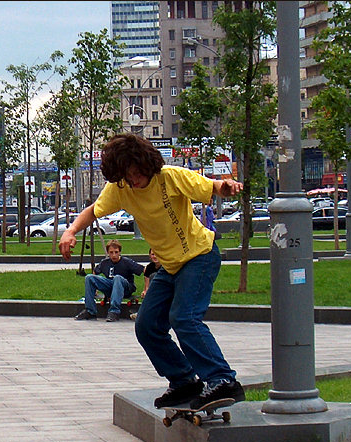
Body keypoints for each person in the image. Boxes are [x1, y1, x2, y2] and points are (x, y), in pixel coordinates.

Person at [60, 134, 245, 410]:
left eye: (135, 173)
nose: (133, 181)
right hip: (169, 267)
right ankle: (184, 380)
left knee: (184, 317)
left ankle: (222, 379)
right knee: (146, 326)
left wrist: (225, 187)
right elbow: (92, 211)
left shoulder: (169, 177)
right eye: (126, 176)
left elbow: (210, 186)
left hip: (200, 257)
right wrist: (71, 230)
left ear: (146, 163)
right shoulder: (120, 188)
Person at [75, 238, 144, 322]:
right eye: (111, 252)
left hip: (125, 288)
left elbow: (144, 271)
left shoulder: (127, 262)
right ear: (108, 253)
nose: (114, 255)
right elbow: (95, 272)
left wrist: (146, 288)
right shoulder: (105, 262)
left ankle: (114, 312)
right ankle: (90, 311)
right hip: (110, 287)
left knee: (117, 278)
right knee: (89, 277)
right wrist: (95, 289)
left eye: (116, 252)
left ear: (120, 252)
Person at [129, 248, 161, 321]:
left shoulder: (165, 267)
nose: (155, 256)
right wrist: (145, 291)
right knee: (147, 294)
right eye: (153, 254)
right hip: (153, 290)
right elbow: (147, 285)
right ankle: (143, 313)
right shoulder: (149, 267)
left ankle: (142, 314)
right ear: (150, 256)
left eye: (157, 254)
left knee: (154, 276)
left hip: (163, 289)